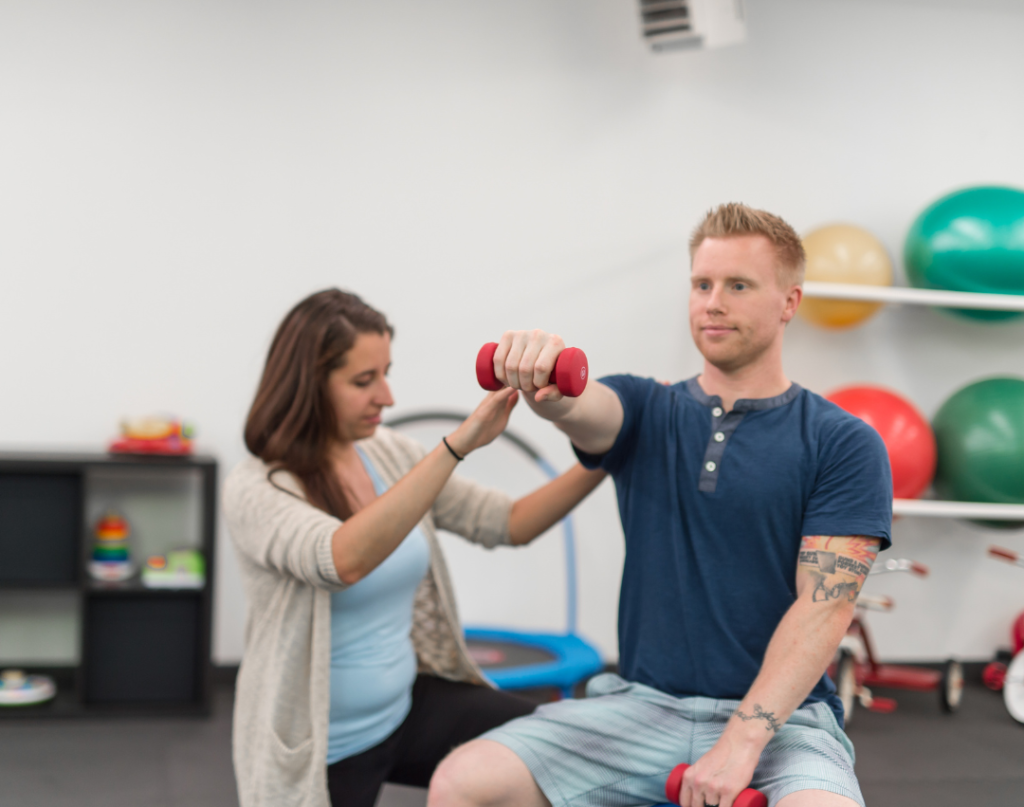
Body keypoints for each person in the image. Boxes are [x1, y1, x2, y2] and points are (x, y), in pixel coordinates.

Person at [427, 203, 893, 807]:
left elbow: (823, 608)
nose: (712, 302)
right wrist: (545, 381)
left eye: (738, 285)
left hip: (784, 722)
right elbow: (583, 409)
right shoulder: (647, 408)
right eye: (702, 284)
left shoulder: (843, 442)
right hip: (641, 705)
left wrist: (742, 743)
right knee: (463, 782)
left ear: (789, 302)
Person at [222, 289, 606, 807]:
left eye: (386, 372)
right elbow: (341, 559)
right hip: (322, 747)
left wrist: (604, 457)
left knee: (555, 744)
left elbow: (508, 523)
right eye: (364, 381)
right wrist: (457, 446)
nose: (387, 396)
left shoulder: (389, 454)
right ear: (309, 386)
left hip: (406, 708)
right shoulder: (258, 488)